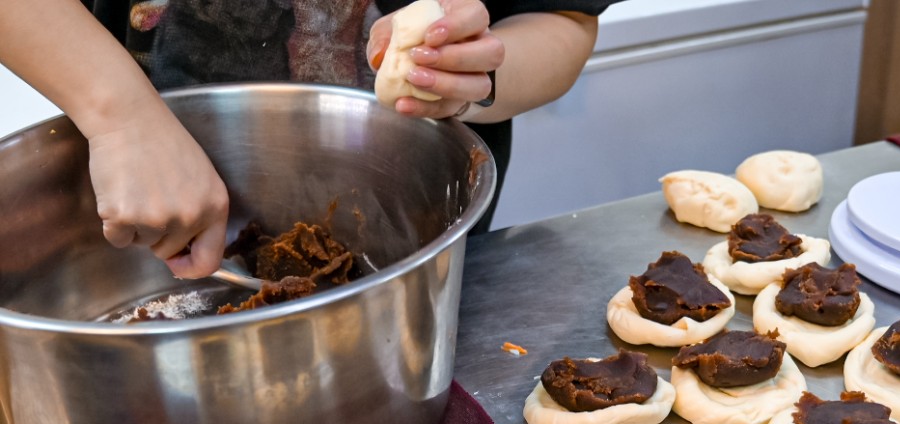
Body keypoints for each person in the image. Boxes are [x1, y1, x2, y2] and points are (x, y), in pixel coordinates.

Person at [0, 0, 612, 278]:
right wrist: (120, 116)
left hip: (425, 269)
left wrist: (469, 75)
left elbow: (563, 20)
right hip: (133, 227)